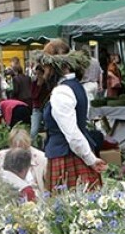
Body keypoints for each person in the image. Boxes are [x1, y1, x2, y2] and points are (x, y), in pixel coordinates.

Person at [31, 39, 107, 190]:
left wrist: (91, 159)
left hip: (68, 158)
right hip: (73, 154)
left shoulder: (62, 91)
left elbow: (72, 133)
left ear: (56, 65)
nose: (43, 71)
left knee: (70, 209)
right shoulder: (76, 86)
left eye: (46, 66)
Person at [0, 126, 47, 192]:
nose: (19, 153)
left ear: (28, 144)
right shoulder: (2, 155)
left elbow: (49, 186)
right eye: (15, 148)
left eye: (23, 148)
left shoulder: (41, 158)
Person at [30, 65, 49, 141]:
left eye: (39, 74)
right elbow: (33, 96)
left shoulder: (47, 84)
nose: (38, 76)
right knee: (34, 130)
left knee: (48, 128)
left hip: (46, 107)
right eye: (36, 74)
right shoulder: (34, 84)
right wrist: (38, 86)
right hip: (37, 108)